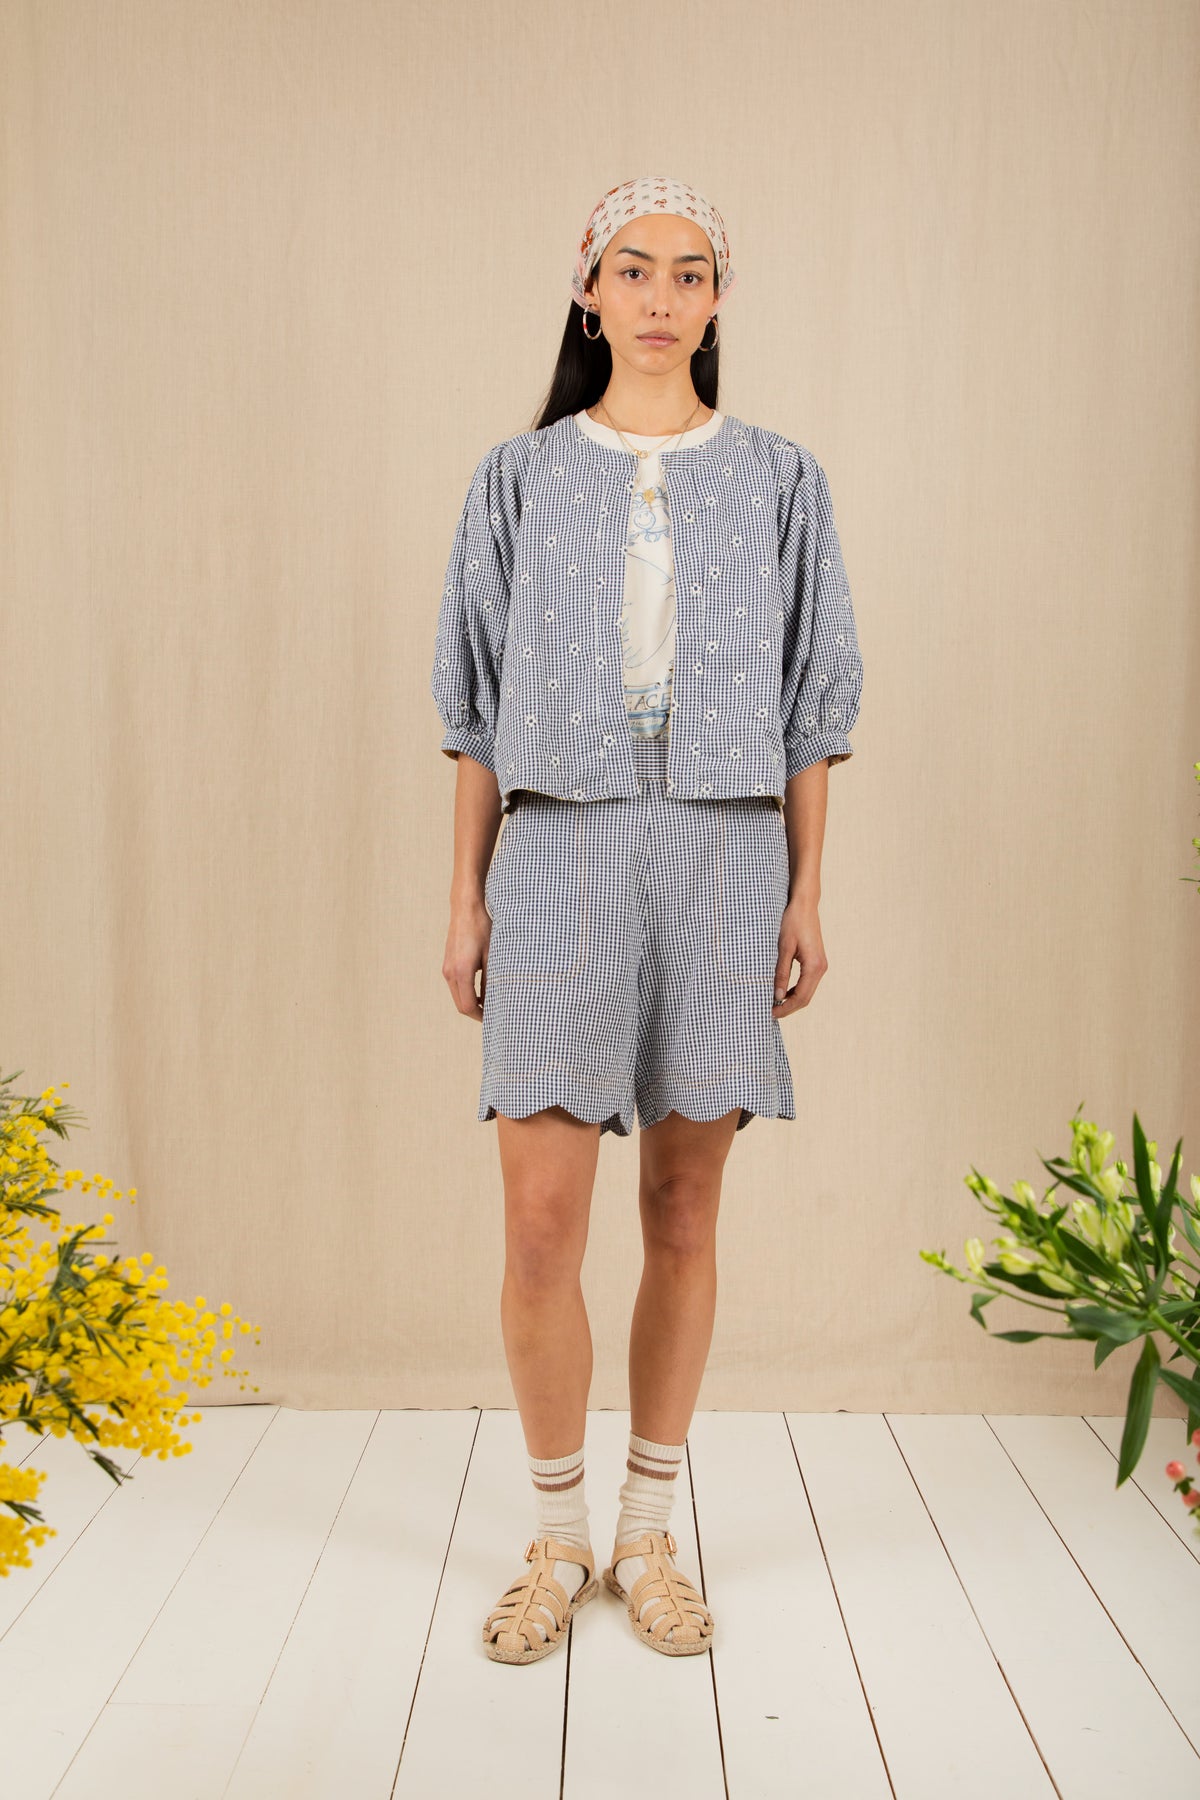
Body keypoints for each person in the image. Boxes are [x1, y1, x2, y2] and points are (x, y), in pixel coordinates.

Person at [430, 176, 864, 1664]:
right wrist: (464, 899)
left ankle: (648, 1533)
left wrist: (806, 889)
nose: (661, 297)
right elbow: (474, 708)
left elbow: (813, 704)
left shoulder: (785, 479)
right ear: (590, 290)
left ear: (718, 297)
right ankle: (557, 1539)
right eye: (634, 269)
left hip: (727, 861)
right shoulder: (516, 479)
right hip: (556, 853)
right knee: (540, 1223)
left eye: (689, 272)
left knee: (683, 1212)